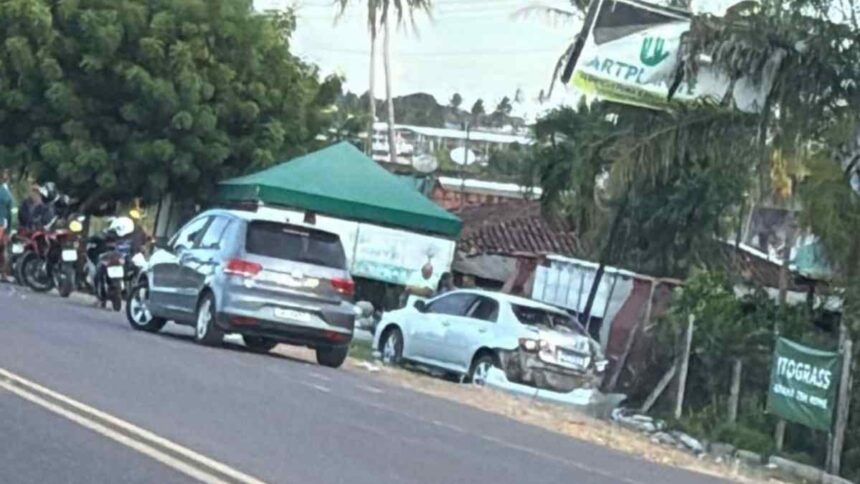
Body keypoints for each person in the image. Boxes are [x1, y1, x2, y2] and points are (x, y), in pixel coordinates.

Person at [0, 169, 15, 281]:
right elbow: (11, 212)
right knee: (3, 249)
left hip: (2, 224)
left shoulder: (6, 192)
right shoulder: (6, 193)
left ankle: (4, 273)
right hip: (2, 224)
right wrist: (10, 228)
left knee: (3, 249)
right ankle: (3, 274)